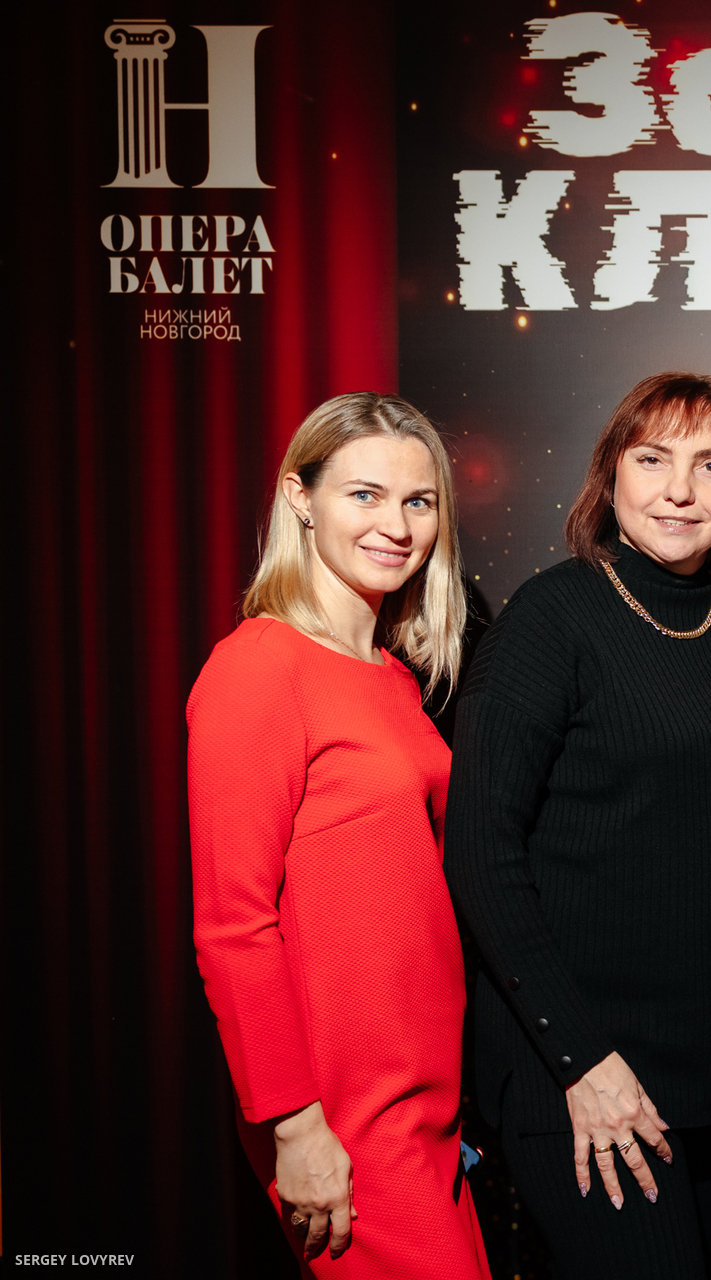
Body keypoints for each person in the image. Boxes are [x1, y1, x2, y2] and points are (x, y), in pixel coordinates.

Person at [444, 373, 711, 1280]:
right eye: (653, 460)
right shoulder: (549, 620)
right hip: (587, 1079)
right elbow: (480, 855)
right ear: (611, 475)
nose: (680, 490)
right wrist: (581, 1061)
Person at [186, 393, 488, 1277]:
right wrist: (294, 1123)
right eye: (364, 495)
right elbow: (232, 926)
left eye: (418, 501)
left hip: (426, 1100)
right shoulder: (259, 667)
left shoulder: (392, 676)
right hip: (340, 1115)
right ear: (300, 497)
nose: (396, 525)